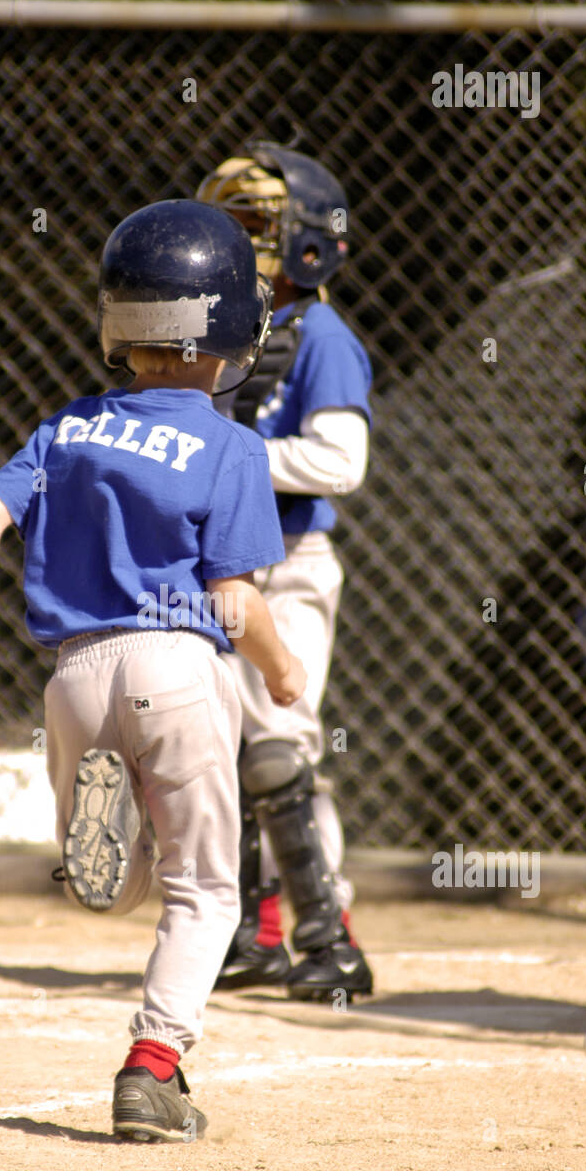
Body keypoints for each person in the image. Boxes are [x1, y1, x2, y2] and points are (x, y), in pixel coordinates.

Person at [0, 199, 306, 1142]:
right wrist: (285, 672)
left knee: (120, 881)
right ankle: (153, 1067)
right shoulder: (231, 446)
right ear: (221, 334)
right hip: (180, 668)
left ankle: (110, 857)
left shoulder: (66, 429)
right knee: (208, 887)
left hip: (75, 676)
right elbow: (235, 602)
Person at [196, 143, 374, 1003]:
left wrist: (234, 456)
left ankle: (328, 935)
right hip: (224, 569)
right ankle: (251, 935)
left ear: (309, 242)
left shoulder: (323, 336)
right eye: (226, 226)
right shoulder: (224, 335)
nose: (238, 244)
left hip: (292, 564)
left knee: (278, 748)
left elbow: (342, 460)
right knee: (224, 750)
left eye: (256, 227)